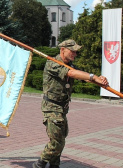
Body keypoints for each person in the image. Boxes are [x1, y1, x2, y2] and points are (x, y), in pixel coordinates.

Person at [32, 39, 109, 168]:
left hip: (62, 108)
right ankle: (40, 163)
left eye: (76, 52)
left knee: (61, 137)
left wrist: (99, 79)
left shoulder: (70, 64)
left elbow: (82, 76)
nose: (75, 54)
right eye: (72, 51)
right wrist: (93, 76)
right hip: (51, 107)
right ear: (63, 50)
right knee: (58, 142)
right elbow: (71, 73)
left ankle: (54, 164)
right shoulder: (52, 63)